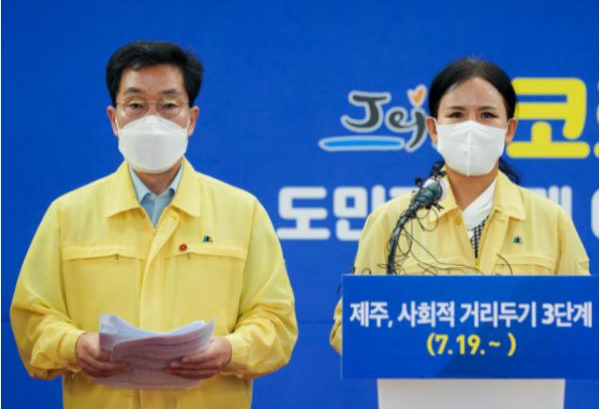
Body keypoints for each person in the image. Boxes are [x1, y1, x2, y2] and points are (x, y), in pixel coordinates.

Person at [11, 41, 298, 409]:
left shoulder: (243, 212)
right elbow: (33, 319)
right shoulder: (68, 214)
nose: (152, 120)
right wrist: (75, 345)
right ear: (113, 119)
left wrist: (230, 350)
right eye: (135, 105)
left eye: (168, 105)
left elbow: (276, 322)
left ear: (191, 119)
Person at [330, 57, 589, 354]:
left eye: (487, 115)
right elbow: (348, 331)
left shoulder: (551, 221)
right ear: (433, 128)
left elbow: (583, 321)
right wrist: (415, 345)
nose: (471, 128)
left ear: (509, 129)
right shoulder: (393, 220)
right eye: (456, 114)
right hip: (420, 384)